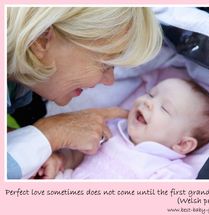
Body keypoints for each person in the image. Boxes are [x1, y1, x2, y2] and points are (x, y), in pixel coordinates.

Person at [7, 7, 163, 179]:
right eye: (105, 65)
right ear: (41, 40)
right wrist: (52, 133)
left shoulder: (18, 87)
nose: (110, 81)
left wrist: (35, 147)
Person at [36, 78, 209, 179]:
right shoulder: (111, 130)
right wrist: (61, 160)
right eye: (150, 94)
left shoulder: (170, 171)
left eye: (164, 108)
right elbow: (78, 154)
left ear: (182, 144)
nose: (147, 102)